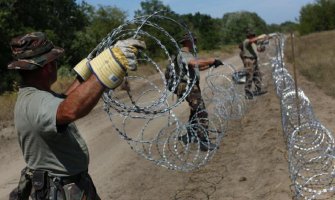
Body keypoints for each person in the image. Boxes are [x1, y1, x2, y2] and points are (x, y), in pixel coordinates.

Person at [7, 32, 145, 200]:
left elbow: (63, 102)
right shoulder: (36, 102)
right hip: (59, 192)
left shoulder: (35, 97)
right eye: (55, 61)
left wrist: (87, 73)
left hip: (64, 187)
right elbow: (69, 109)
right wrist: (110, 68)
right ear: (48, 66)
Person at [170, 32, 223, 152]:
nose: (196, 44)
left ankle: (190, 134)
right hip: (189, 87)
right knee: (201, 112)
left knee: (195, 112)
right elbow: (194, 63)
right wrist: (212, 59)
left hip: (191, 86)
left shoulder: (187, 54)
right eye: (195, 41)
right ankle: (203, 141)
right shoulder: (184, 54)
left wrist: (212, 64)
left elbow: (197, 67)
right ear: (189, 41)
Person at [240, 29, 269, 99]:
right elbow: (252, 41)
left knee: (257, 75)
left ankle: (258, 90)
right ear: (249, 35)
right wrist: (262, 36)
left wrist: (263, 43)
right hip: (249, 60)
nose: (254, 36)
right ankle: (247, 93)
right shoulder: (246, 41)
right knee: (249, 76)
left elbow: (260, 50)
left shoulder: (253, 43)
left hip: (253, 60)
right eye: (252, 35)